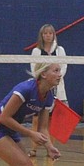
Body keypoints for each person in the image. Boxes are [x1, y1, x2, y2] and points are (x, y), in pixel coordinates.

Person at [28, 23, 68, 157]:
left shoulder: (60, 50)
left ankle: (50, 148)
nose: (48, 35)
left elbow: (63, 67)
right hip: (40, 89)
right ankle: (33, 149)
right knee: (36, 120)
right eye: (45, 33)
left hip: (57, 89)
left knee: (52, 120)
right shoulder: (36, 51)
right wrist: (45, 82)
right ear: (42, 35)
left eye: (50, 33)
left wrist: (54, 79)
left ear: (53, 35)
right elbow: (35, 69)